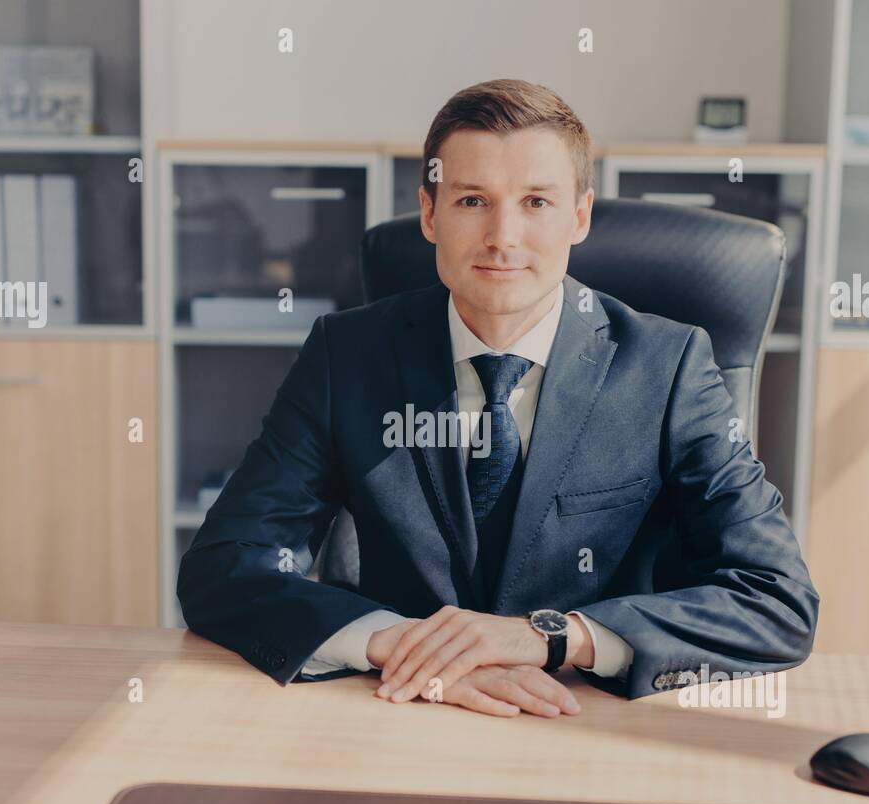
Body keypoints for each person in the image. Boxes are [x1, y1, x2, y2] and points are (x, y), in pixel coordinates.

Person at [178, 78, 818, 718]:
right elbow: (225, 566)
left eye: (536, 202)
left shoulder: (667, 366)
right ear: (430, 214)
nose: (502, 236)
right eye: (472, 200)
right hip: (395, 710)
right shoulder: (346, 356)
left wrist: (552, 636)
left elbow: (775, 601)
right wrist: (404, 646)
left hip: (593, 720)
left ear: (580, 216)